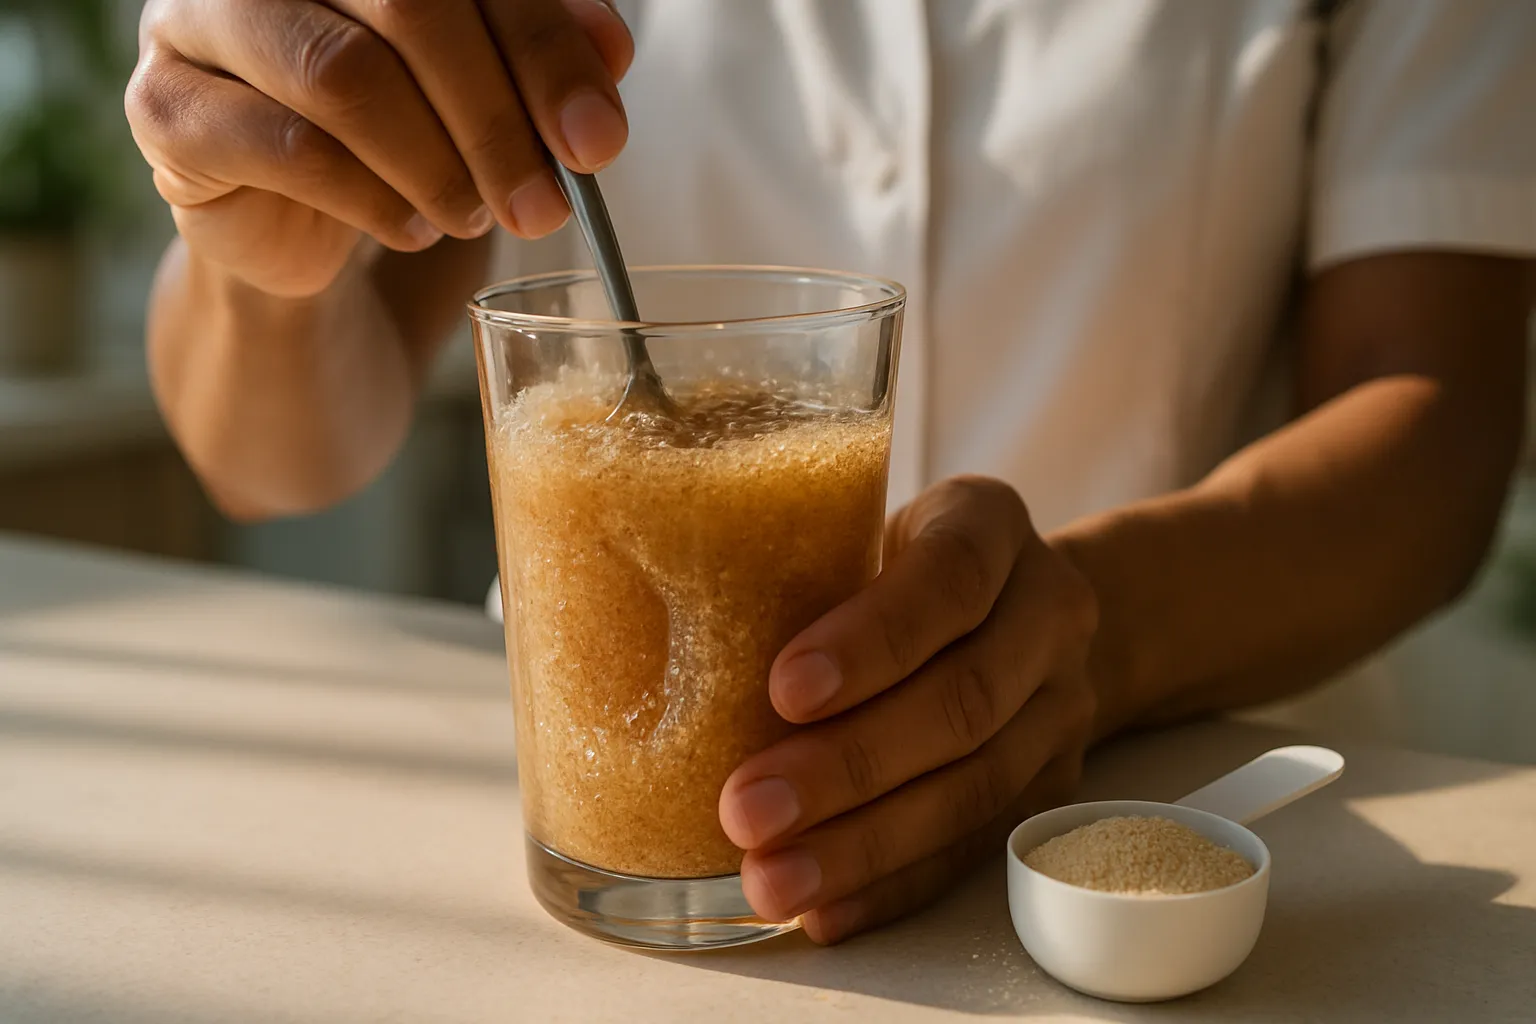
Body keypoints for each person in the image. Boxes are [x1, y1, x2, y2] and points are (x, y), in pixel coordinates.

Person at [125, 0, 1533, 943]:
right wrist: (255, 249)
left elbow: (1440, 421)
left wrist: (1086, 630)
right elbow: (271, 457)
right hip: (618, 846)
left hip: (1195, 839)